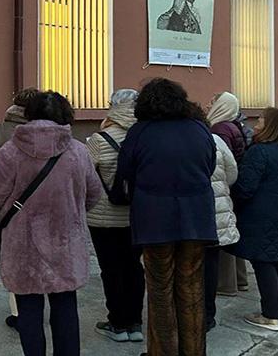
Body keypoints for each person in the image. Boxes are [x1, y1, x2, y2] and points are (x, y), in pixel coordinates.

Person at [0, 92, 102, 356]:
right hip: (65, 243)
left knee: (29, 313)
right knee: (66, 307)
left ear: (27, 114)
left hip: (24, 248)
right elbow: (94, 193)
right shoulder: (78, 151)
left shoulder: (12, 151)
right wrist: (72, 211)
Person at [111, 78, 217, 356]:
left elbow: (125, 172)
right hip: (196, 216)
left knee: (159, 288)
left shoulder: (140, 132)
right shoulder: (199, 129)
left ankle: (162, 351)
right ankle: (194, 351)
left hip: (154, 218)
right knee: (192, 286)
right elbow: (210, 165)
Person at [230, 108, 278, 332]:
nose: (256, 122)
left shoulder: (260, 151)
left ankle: (270, 315)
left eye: (261, 119)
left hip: (261, 214)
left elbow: (245, 187)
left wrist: (234, 202)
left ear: (270, 124)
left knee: (263, 262)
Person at [86, 89, 145, 343]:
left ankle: (117, 323)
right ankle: (135, 323)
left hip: (103, 217)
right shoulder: (144, 137)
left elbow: (86, 177)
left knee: (111, 269)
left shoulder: (100, 139)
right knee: (134, 267)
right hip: (137, 215)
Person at [0, 87, 40, 329]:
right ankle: (39, 302)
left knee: (13, 260)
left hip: (8, 207)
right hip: (40, 204)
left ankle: (18, 313)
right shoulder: (44, 132)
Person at [206, 92, 250, 295]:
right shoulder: (233, 125)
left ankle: (227, 284)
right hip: (230, 187)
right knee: (232, 234)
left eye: (213, 101)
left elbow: (223, 163)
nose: (209, 104)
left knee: (222, 238)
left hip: (222, 189)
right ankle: (240, 280)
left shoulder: (219, 129)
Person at [204, 130, 239, 331]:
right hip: (217, 210)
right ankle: (208, 314)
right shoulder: (215, 140)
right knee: (210, 264)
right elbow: (232, 172)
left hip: (193, 214)